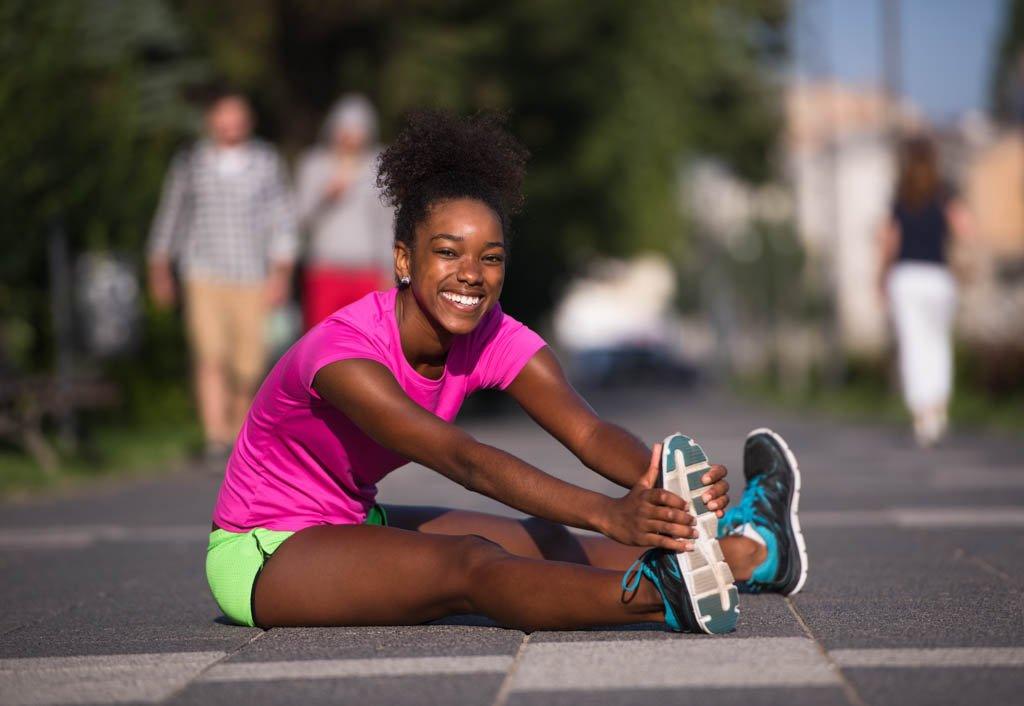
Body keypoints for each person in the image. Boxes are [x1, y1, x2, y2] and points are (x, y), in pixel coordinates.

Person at [205, 111, 808, 633]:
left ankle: (754, 553)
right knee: (470, 563)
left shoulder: (492, 333)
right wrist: (610, 512)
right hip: (264, 550)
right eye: (447, 252)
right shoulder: (343, 356)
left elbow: (588, 433)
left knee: (543, 541)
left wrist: (663, 489)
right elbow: (463, 459)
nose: (471, 273)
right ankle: (663, 598)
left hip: (353, 518)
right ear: (404, 260)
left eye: (490, 259)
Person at [147, 91, 298, 461]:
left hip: (252, 274)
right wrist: (159, 265)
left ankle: (238, 429)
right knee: (209, 354)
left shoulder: (264, 162)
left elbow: (282, 218)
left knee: (249, 362)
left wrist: (281, 272)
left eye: (237, 115)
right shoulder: (191, 161)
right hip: (202, 273)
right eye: (223, 114)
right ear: (211, 119)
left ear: (248, 121)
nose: (230, 122)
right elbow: (172, 214)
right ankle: (216, 437)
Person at [877, 136, 972, 447]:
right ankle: (938, 408)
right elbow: (964, 227)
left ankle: (922, 414)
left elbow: (889, 240)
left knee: (913, 345)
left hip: (906, 277)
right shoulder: (945, 190)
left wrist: (880, 277)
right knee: (938, 343)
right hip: (938, 275)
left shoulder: (901, 193)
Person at [296, 94, 394, 330]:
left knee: (368, 339)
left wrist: (389, 270)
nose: (350, 135)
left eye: (357, 127)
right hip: (325, 268)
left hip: (367, 270)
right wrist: (324, 196)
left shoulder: (379, 166)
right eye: (344, 127)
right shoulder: (315, 164)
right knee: (322, 338)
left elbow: (389, 222)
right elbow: (299, 218)